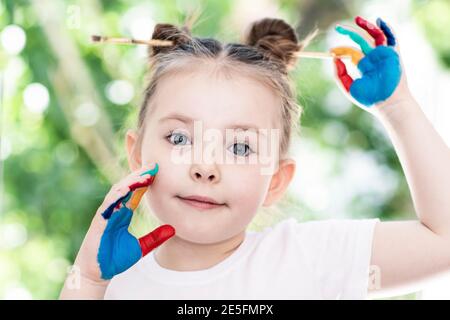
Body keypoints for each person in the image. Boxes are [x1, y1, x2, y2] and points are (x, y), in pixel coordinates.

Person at [59, 15, 450, 300]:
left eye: (241, 147)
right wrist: (89, 283)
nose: (205, 167)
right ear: (136, 154)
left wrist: (398, 106)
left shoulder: (309, 258)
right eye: (180, 137)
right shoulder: (111, 284)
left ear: (276, 180)